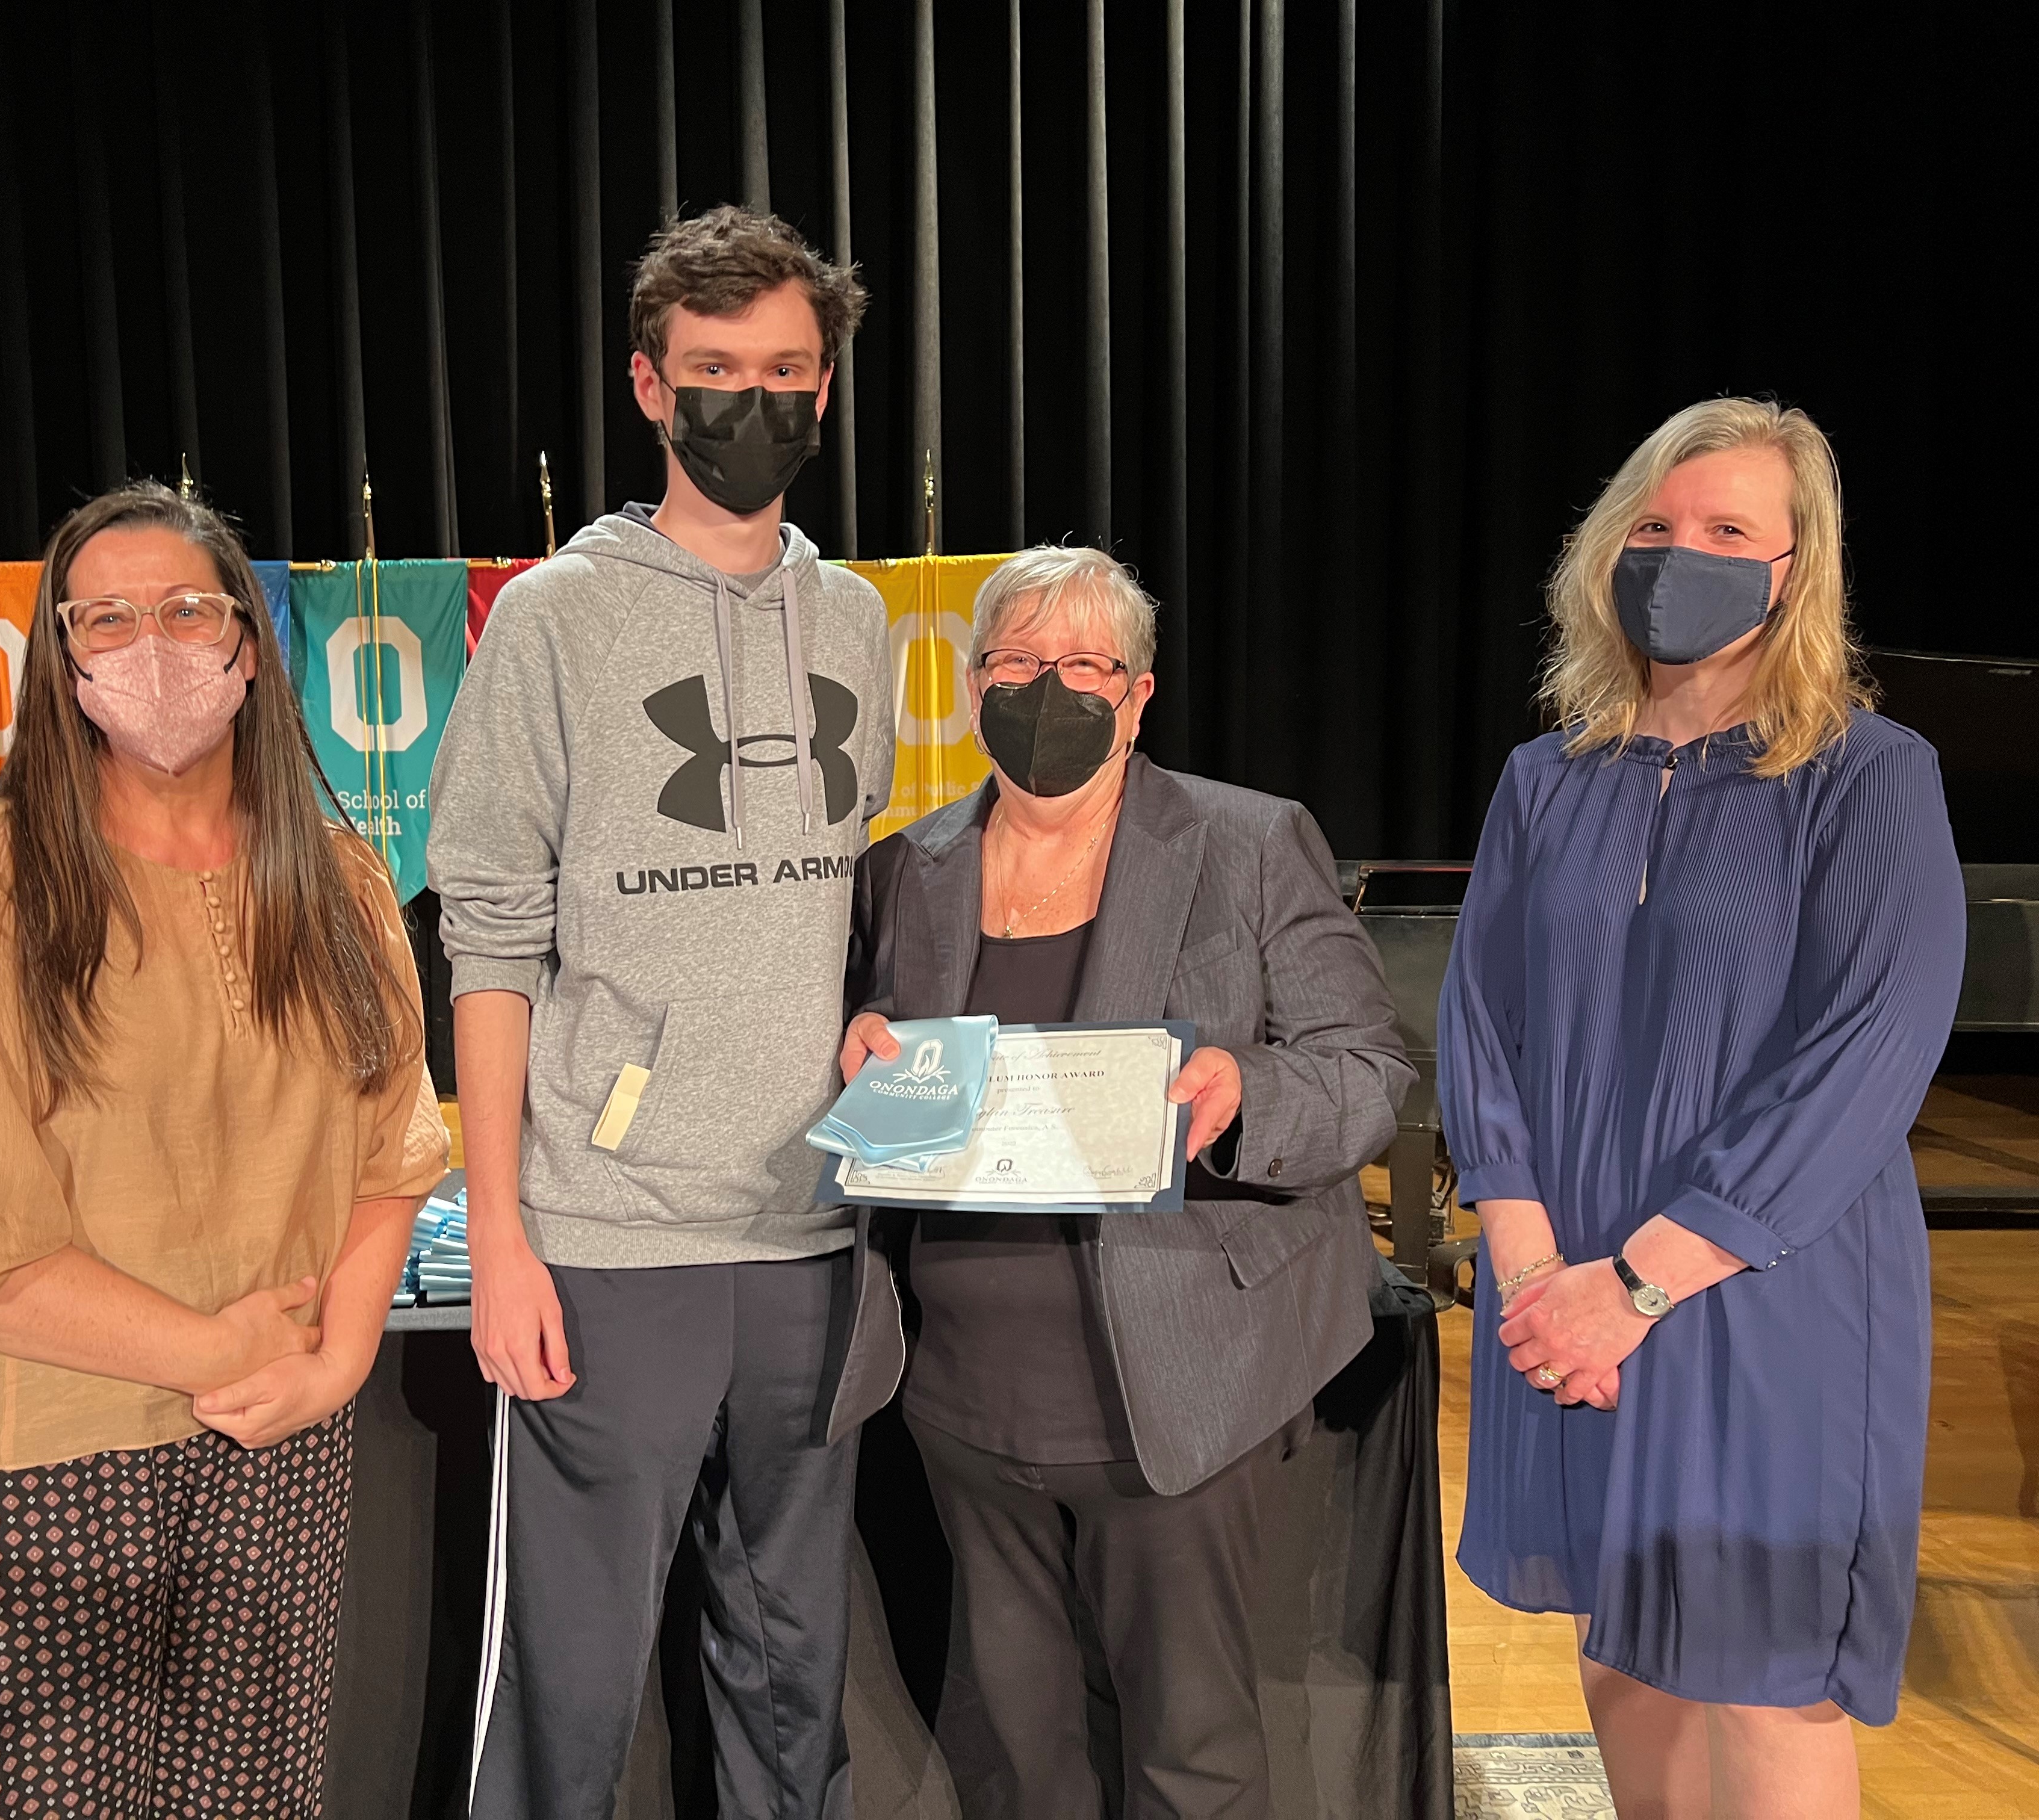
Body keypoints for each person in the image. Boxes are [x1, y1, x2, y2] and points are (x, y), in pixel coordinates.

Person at [0, 481, 449, 1820]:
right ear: (65, 664)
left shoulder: (341, 879)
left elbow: (393, 1154)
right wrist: (210, 1350)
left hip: (272, 1441)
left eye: (191, 610)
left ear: (250, 647)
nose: (156, 646)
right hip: (29, 1458)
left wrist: (337, 1365)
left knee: (253, 1799)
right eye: (111, 619)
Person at [428, 205, 898, 1820]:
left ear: (826, 390)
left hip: (810, 1236)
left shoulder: (856, 620)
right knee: (569, 1683)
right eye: (714, 372)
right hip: (611, 1240)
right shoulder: (556, 618)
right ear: (648, 386)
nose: (751, 404)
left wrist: (856, 1027)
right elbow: (488, 935)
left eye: (784, 371)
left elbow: (831, 899)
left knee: (791, 1669)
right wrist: (500, 1236)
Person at [1440, 398, 1965, 1819]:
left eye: (1730, 531)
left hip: (1760, 1286)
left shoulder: (1869, 776)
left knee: (1762, 1670)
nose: (1684, 555)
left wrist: (1642, 1281)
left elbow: (1869, 1052)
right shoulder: (1546, 782)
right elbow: (1482, 1023)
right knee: (1625, 1643)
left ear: (1797, 570)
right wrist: (1537, 1260)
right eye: (1658, 529)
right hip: (1558, 1284)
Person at [839, 545, 1415, 1820]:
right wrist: (862, 1053)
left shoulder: (1250, 843)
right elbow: (878, 1074)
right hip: (963, 1398)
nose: (1050, 688)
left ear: (1139, 694)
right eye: (1020, 663)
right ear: (974, 679)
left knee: (1192, 1755)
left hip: (1178, 1395)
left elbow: (1367, 1070)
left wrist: (1243, 1096)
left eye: (1085, 665)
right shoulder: (906, 868)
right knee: (1019, 1757)